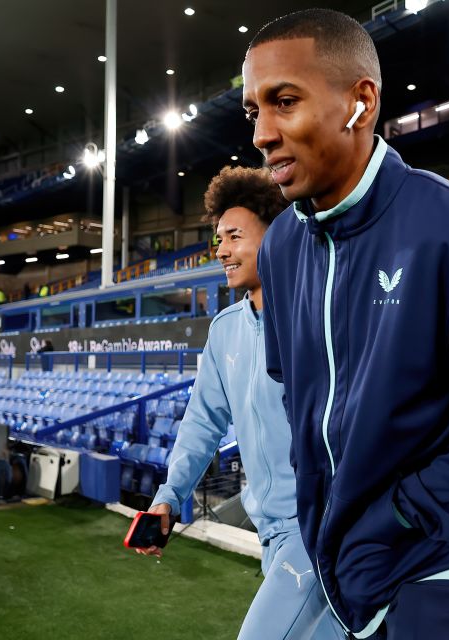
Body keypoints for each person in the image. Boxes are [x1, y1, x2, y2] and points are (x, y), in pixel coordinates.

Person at [246, 9, 449, 638]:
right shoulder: (282, 246)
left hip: (446, 562)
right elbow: (296, 389)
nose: (261, 132)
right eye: (254, 110)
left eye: (284, 101)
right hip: (341, 551)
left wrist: (399, 514)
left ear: (360, 103)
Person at [141, 166, 344, 640]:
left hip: (320, 526)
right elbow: (201, 423)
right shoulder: (224, 329)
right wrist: (169, 497)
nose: (222, 251)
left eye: (234, 236)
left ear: (277, 235)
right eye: (218, 239)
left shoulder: (318, 313)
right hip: (270, 534)